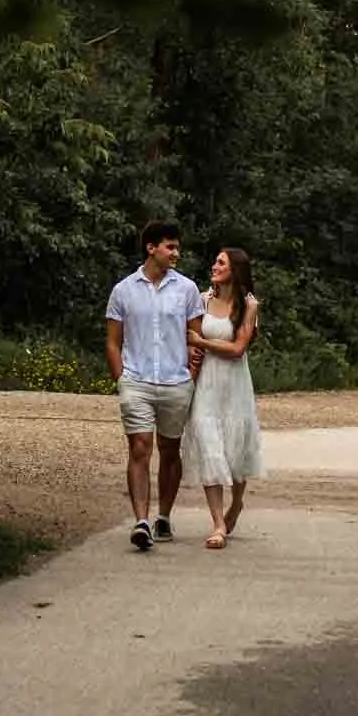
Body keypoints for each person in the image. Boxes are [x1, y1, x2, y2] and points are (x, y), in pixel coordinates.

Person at [105, 221, 205, 552]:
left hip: (176, 381)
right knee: (139, 447)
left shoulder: (187, 289)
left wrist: (191, 374)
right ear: (151, 248)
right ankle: (141, 521)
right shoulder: (123, 290)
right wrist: (121, 378)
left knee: (170, 450)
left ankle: (164, 515)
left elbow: (195, 338)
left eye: (177, 247)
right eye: (170, 247)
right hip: (136, 380)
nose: (176, 253)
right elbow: (113, 341)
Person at [181, 247, 263, 549]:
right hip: (206, 383)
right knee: (208, 445)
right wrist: (192, 350)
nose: (214, 266)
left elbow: (238, 348)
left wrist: (201, 341)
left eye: (221, 262)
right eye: (215, 261)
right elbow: (189, 340)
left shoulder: (248, 305)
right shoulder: (203, 300)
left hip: (234, 383)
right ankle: (217, 524)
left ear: (235, 270)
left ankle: (237, 502)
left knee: (235, 448)